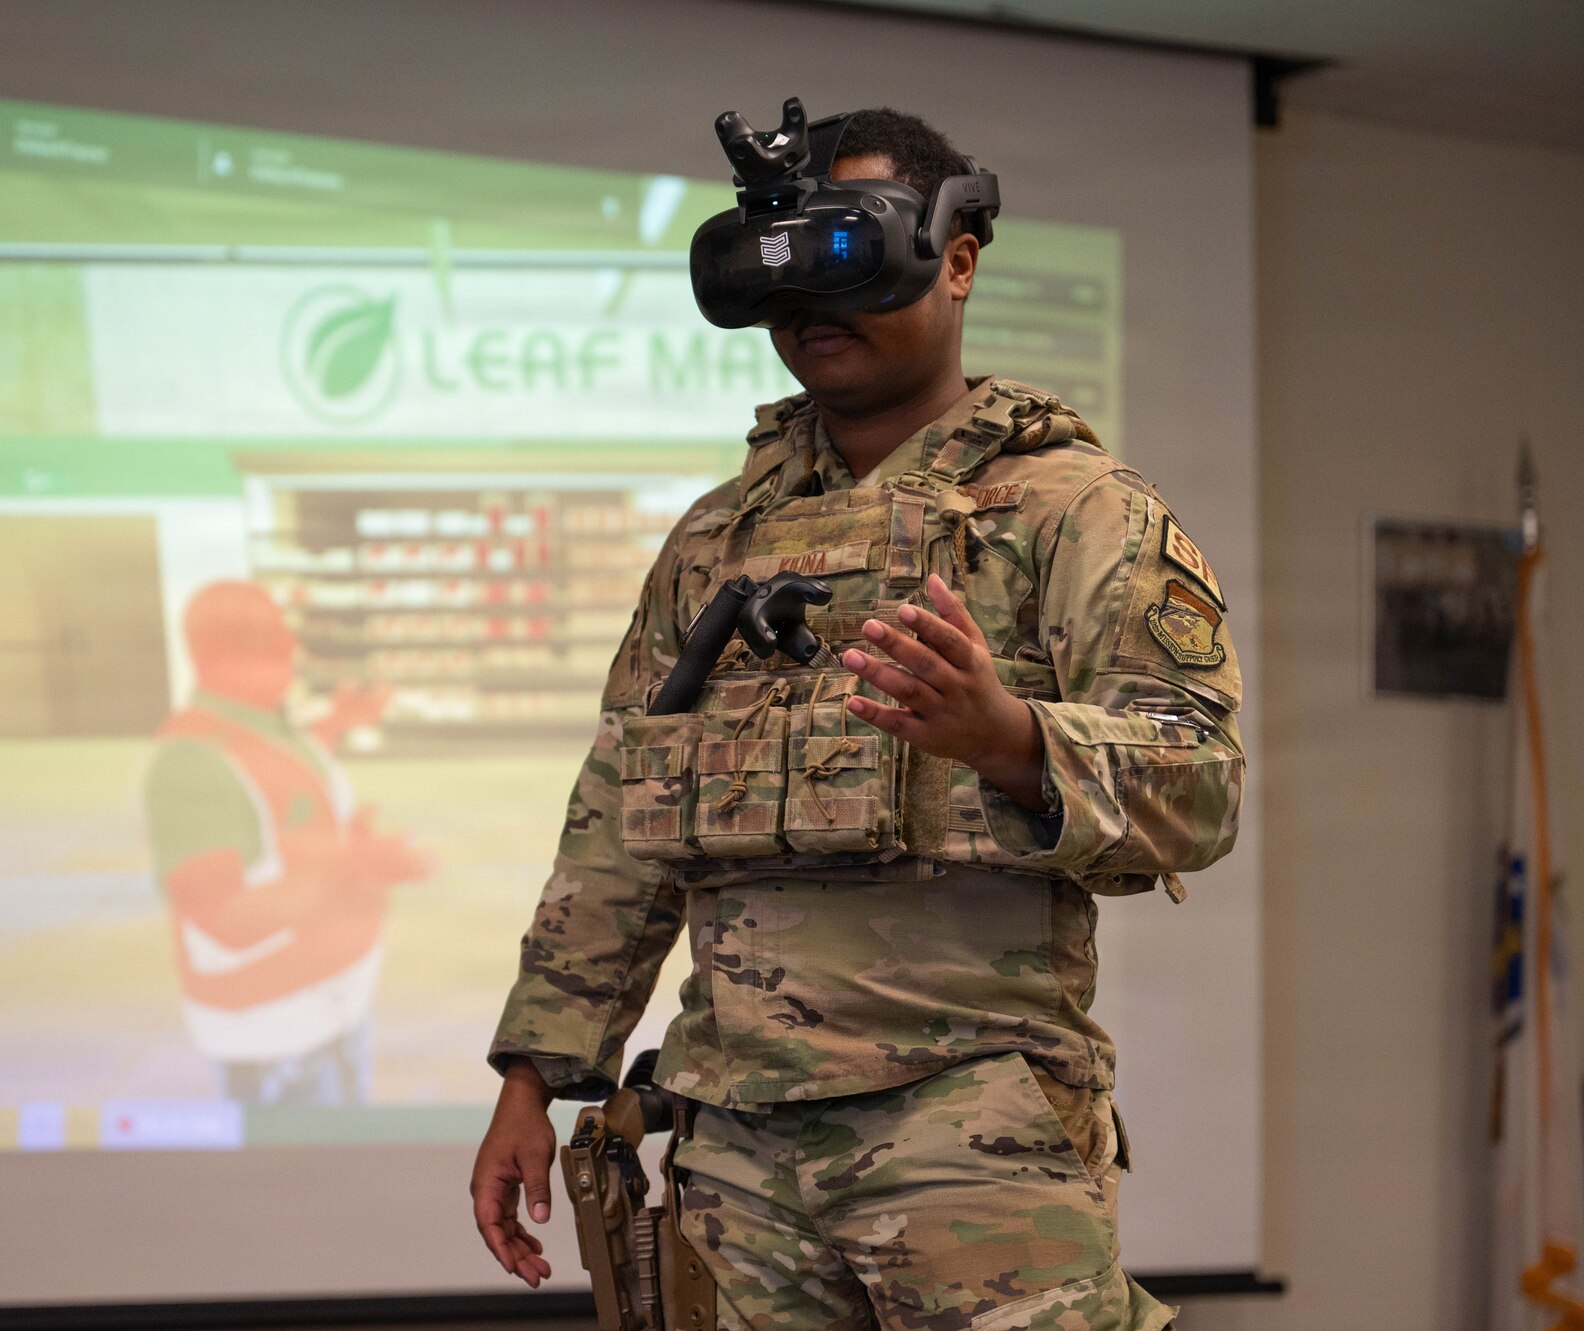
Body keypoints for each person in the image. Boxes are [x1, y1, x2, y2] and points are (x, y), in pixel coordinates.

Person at [471, 107, 1244, 1330]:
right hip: (733, 1142)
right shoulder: (714, 539)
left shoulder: (1070, 512)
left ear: (956, 257)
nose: (808, 299)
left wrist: (1009, 738)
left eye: (846, 251)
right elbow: (620, 820)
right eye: (775, 263)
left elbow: (1199, 783)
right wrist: (536, 1073)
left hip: (966, 1123)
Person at [142, 579, 429, 1108]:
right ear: (222, 652)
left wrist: (340, 722)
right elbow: (222, 916)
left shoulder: (265, 728)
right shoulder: (193, 763)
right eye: (272, 638)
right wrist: (350, 865)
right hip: (276, 1038)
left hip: (326, 1014)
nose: (292, 649)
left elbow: (287, 791)